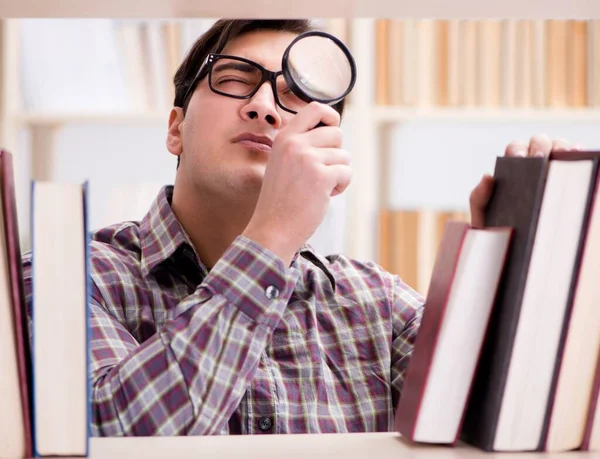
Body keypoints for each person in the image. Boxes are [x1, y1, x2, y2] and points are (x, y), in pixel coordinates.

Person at [21, 19, 576, 437]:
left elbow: (507, 418)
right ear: (175, 130)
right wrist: (271, 236)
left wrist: (514, 261)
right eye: (236, 79)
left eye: (294, 95)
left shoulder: (377, 305)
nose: (265, 107)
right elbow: (119, 432)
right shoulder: (62, 277)